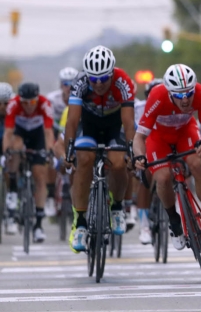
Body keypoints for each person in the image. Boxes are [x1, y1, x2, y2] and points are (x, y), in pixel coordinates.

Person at [132, 64, 201, 250]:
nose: (185, 99)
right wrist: (139, 157)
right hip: (158, 137)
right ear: (169, 92)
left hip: (185, 132)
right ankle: (174, 222)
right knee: (163, 177)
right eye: (179, 95)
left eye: (189, 93)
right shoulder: (157, 96)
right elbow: (139, 137)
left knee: (197, 165)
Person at [63, 46, 136, 253]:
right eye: (93, 79)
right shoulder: (79, 82)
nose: (98, 84)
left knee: (119, 163)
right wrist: (69, 151)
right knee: (84, 159)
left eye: (103, 78)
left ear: (112, 73)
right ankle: (81, 223)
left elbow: (128, 123)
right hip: (89, 126)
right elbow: (72, 121)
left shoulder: (123, 81)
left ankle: (117, 207)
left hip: (114, 125)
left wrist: (131, 151)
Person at [2, 83, 56, 241]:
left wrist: (49, 151)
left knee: (40, 175)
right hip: (20, 133)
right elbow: (8, 133)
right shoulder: (13, 104)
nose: (28, 106)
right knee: (15, 147)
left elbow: (48, 132)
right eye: (24, 102)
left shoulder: (45, 104)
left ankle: (38, 225)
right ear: (20, 100)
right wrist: (6, 152)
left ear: (37, 99)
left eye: (32, 102)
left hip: (38, 135)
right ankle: (13, 188)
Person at [44, 67, 78, 217]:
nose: (69, 87)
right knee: (51, 158)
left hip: (73, 131)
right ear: (60, 85)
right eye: (65, 84)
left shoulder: (81, 98)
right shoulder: (52, 100)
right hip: (54, 130)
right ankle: (51, 195)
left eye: (72, 84)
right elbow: (46, 126)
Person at [134, 78, 163, 245]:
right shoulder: (138, 108)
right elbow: (133, 133)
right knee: (145, 175)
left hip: (163, 143)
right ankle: (144, 223)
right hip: (143, 144)